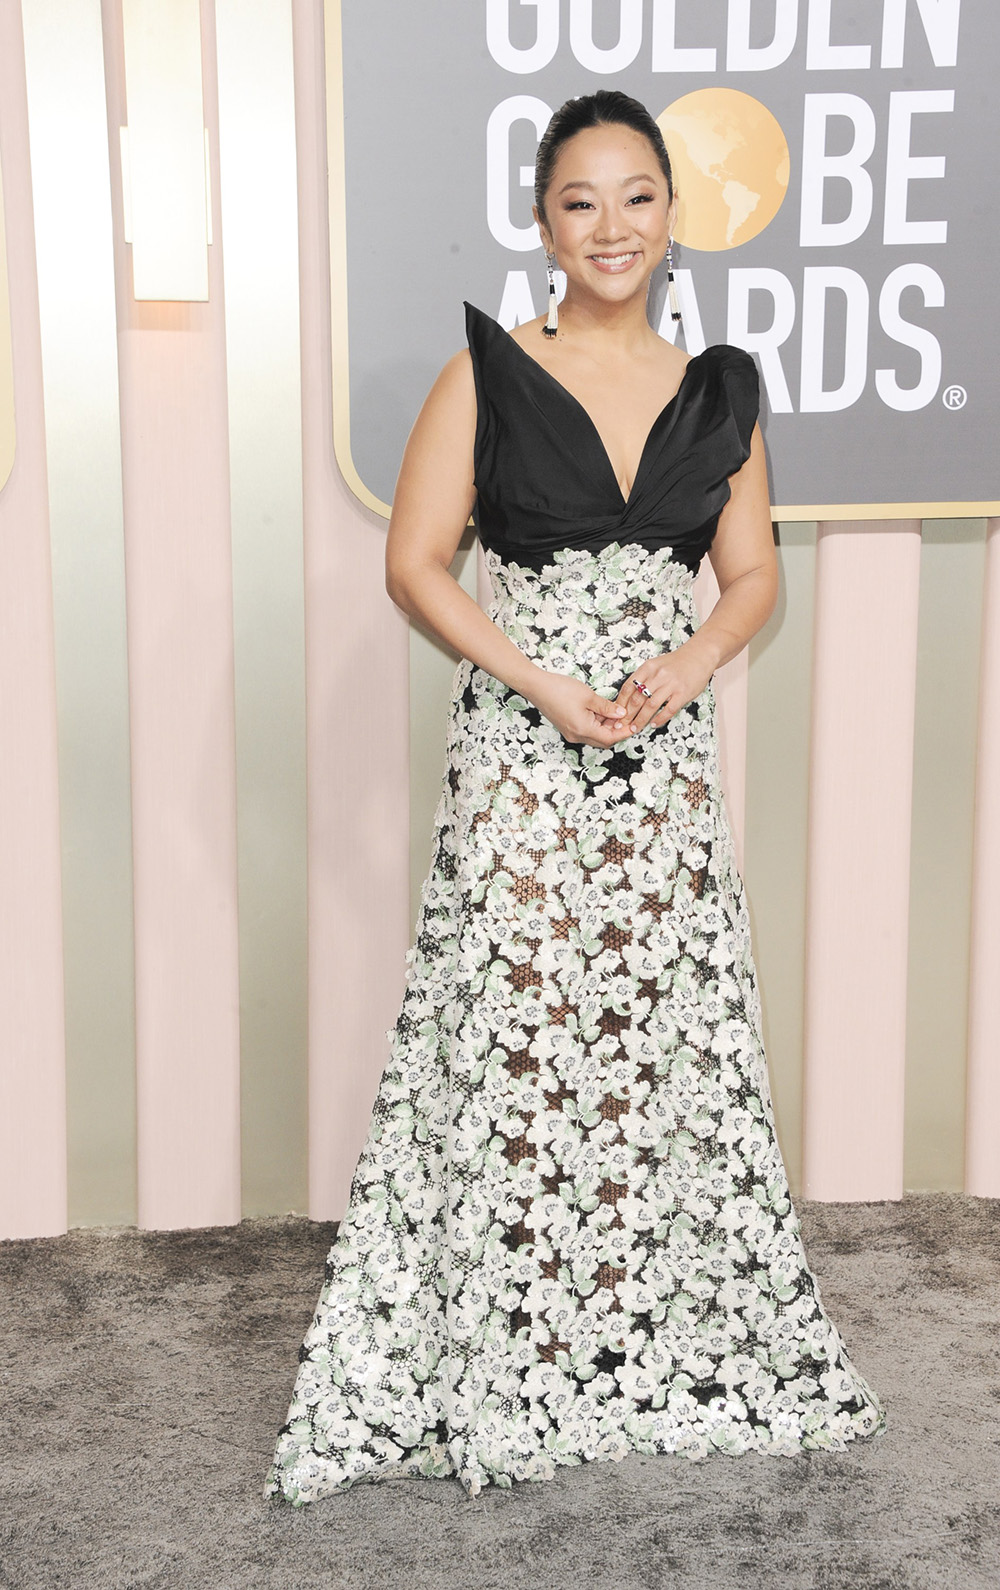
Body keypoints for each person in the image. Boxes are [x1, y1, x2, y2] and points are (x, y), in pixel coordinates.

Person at [265, 89, 884, 1506]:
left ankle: (625, 1325)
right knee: (524, 1022)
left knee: (649, 1023)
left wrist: (689, 661)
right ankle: (517, 1324)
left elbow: (755, 576)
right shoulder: (485, 372)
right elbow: (416, 564)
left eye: (638, 197)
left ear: (676, 215)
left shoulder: (719, 386)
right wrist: (540, 681)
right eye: (580, 202)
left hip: (659, 751)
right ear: (542, 223)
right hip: (525, 746)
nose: (612, 226)